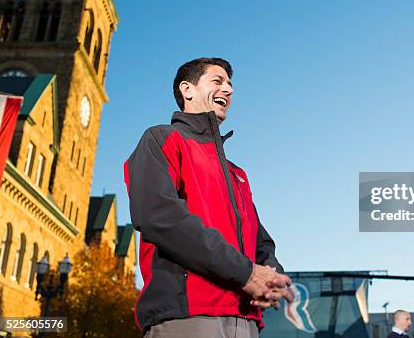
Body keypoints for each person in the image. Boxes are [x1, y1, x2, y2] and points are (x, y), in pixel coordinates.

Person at [125, 58, 293, 337]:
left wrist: (271, 276)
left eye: (230, 84)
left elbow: (260, 241)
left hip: (247, 319)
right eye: (217, 81)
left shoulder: (236, 172)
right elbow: (158, 215)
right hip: (188, 316)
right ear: (187, 90)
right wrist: (246, 273)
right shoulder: (162, 139)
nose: (228, 89)